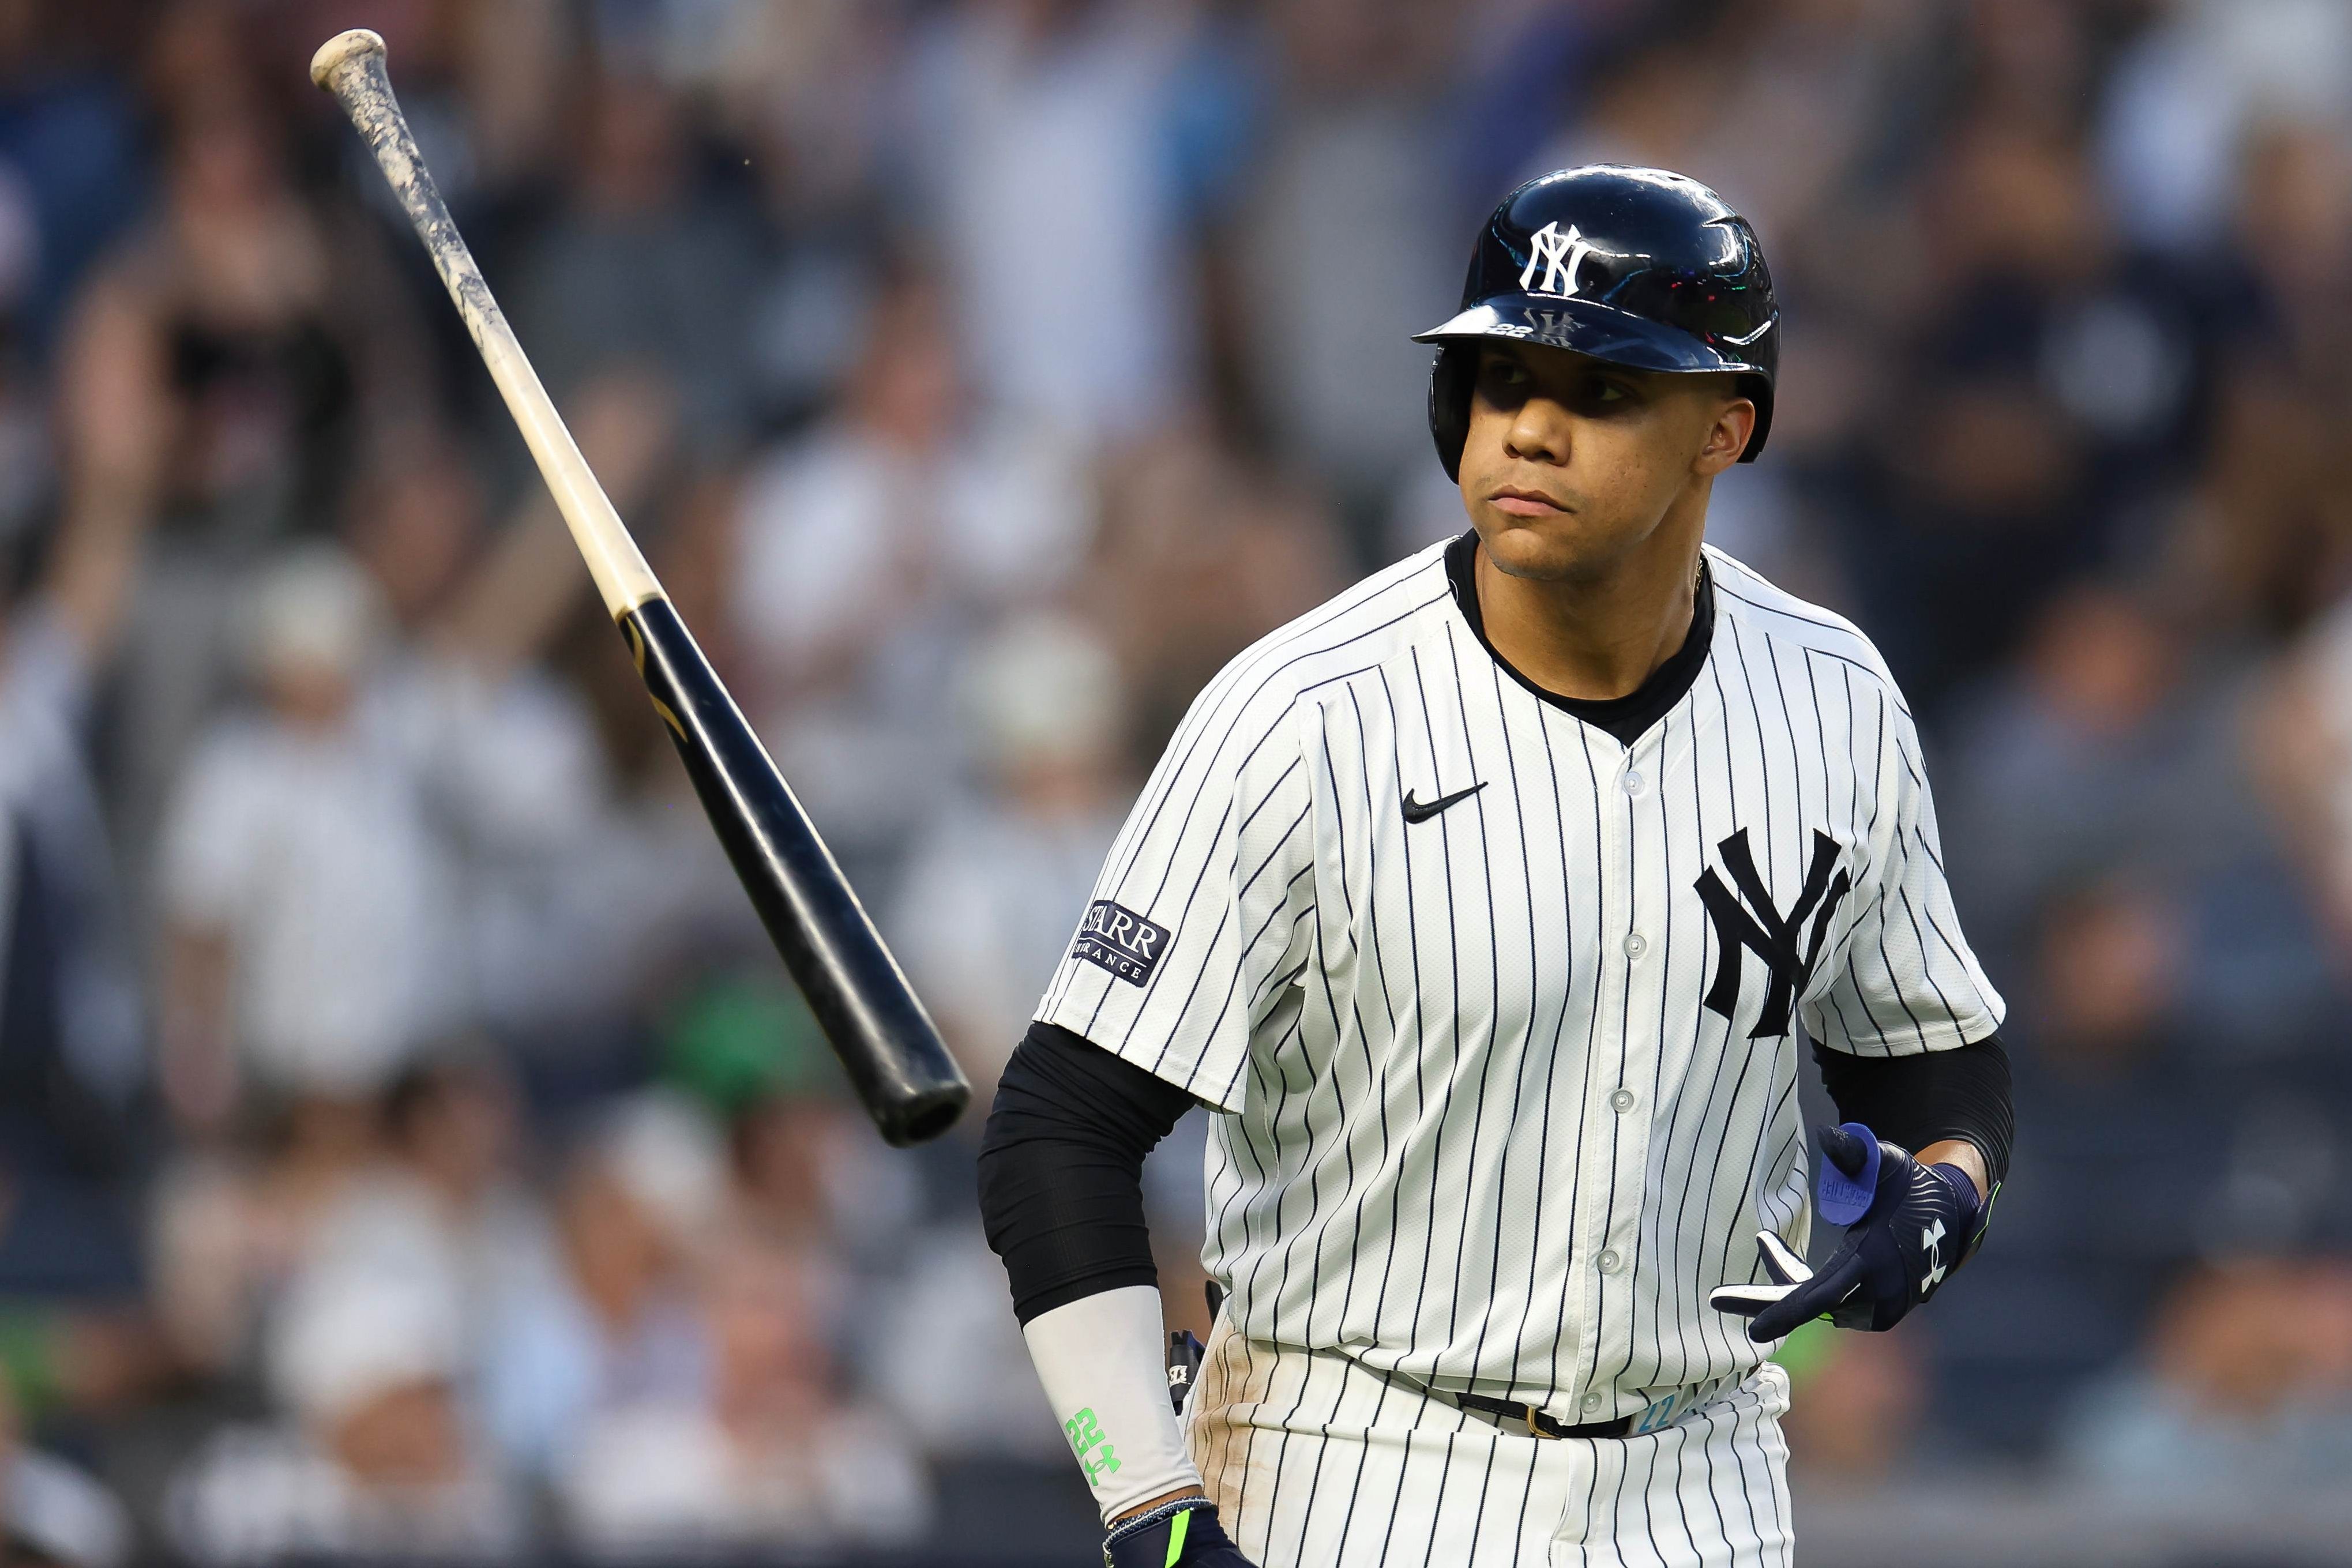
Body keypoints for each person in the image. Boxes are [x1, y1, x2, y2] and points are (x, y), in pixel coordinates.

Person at [976, 167, 2016, 1567]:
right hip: (1350, 1464)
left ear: (1724, 427)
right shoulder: (1304, 715)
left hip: (1701, 1476)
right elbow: (1058, 1126)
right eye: (1499, 378)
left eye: (1599, 390)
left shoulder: (1834, 699)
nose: (1527, 425)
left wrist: (1944, 1195)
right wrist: (1149, 1503)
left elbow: (1933, 1063)